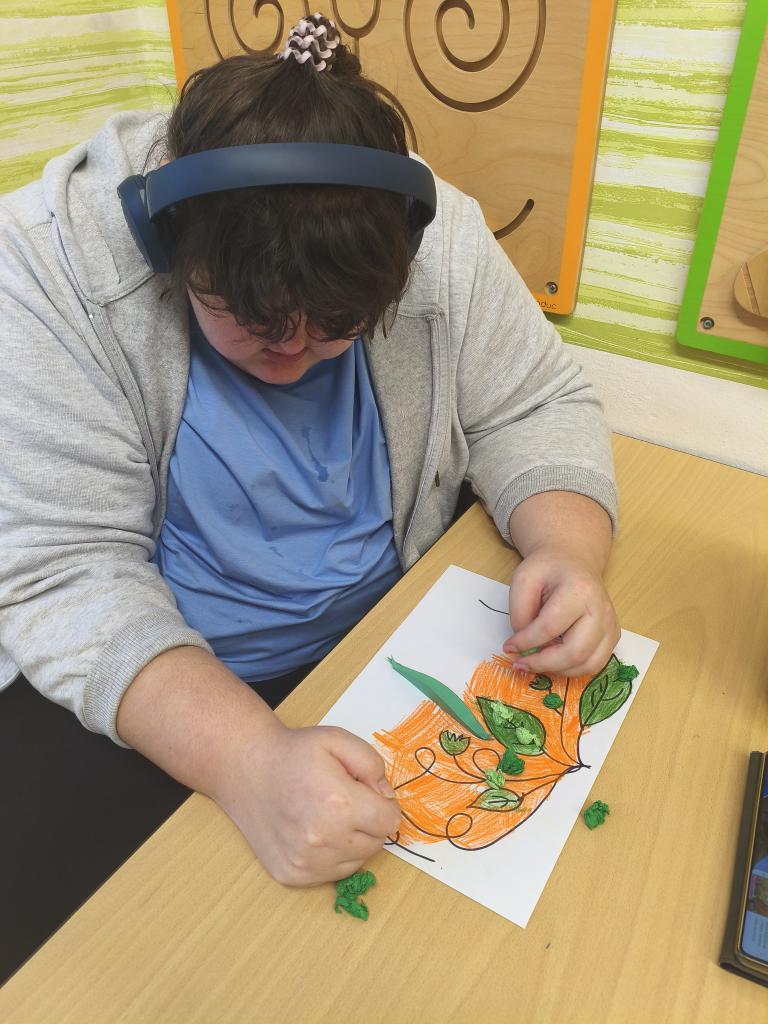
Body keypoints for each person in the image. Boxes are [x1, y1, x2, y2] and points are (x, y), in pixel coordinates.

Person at [0, 14, 619, 890]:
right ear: (170, 250)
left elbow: (535, 403)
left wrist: (568, 549)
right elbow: (65, 574)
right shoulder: (47, 267)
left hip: (382, 645)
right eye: (252, 324)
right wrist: (248, 759)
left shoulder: (431, 234)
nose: (292, 352)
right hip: (176, 687)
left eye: (337, 326)